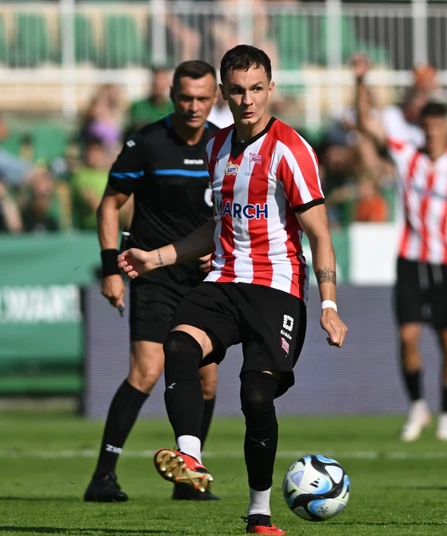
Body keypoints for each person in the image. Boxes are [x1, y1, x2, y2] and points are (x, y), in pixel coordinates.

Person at [118, 45, 347, 536]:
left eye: (257, 89)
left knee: (256, 396)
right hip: (223, 279)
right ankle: (190, 456)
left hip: (276, 287)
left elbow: (320, 233)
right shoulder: (216, 147)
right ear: (224, 92)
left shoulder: (291, 149)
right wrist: (157, 257)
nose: (248, 100)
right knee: (179, 345)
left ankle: (259, 512)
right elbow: (216, 224)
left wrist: (328, 304)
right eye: (239, 90)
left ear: (271, 88)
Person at [84, 60, 222, 503]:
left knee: (207, 381)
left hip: (203, 279)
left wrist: (220, 253)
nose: (194, 106)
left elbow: (233, 212)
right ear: (172, 96)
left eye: (202, 98)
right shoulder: (146, 143)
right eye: (186, 98)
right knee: (146, 371)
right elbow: (110, 205)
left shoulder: (225, 145)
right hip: (153, 274)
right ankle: (103, 477)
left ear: (215, 97)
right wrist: (111, 268)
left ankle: (188, 479)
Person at [354, 55, 447, 442]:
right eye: (428, 127)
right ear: (421, 129)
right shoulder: (407, 155)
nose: (433, 133)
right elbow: (366, 124)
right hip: (410, 259)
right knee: (407, 336)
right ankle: (418, 407)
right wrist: (361, 82)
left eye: (438, 127)